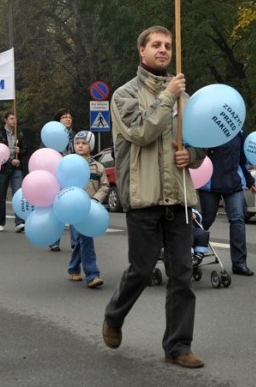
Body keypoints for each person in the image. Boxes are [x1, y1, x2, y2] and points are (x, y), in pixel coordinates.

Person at [102, 25, 206, 369]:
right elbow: (141, 132)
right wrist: (168, 96)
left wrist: (190, 155)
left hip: (179, 197)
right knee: (142, 269)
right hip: (143, 197)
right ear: (141, 51)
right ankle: (115, 315)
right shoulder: (123, 95)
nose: (163, 50)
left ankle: (178, 345)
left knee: (182, 274)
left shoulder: (186, 99)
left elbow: (201, 144)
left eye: (168, 46)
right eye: (157, 45)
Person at [198, 131, 256, 276]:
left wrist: (250, 181)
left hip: (233, 184)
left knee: (238, 220)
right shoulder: (208, 129)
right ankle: (192, 255)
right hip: (210, 184)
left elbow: (242, 161)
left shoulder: (238, 133)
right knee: (205, 221)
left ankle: (239, 264)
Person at [67, 130, 109, 288]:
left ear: (90, 146)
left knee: (84, 239)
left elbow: (104, 185)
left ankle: (82, 271)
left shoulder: (98, 167)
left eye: (84, 143)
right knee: (82, 239)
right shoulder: (69, 163)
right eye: (77, 143)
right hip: (73, 207)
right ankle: (83, 271)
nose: (80, 146)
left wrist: (95, 199)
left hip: (90, 208)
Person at [0, 112, 25, 232]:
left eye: (15, 118)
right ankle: (0, 222)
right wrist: (10, 161)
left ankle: (19, 222)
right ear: (5, 120)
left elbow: (25, 149)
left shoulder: (19, 133)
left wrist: (20, 151)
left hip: (16, 168)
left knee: (18, 195)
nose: (14, 121)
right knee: (1, 195)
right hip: (3, 168)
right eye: (11, 118)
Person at [48, 108, 74, 251]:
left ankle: (75, 241)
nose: (68, 119)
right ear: (58, 120)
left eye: (69, 117)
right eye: (64, 117)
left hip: (72, 174)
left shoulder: (75, 137)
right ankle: (54, 240)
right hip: (56, 176)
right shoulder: (50, 136)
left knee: (73, 205)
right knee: (56, 208)